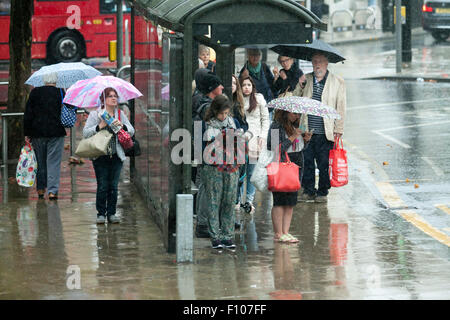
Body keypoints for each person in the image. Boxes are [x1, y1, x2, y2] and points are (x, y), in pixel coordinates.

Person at [293, 52, 346, 203]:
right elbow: (296, 99)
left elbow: (341, 107)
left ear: (327, 64)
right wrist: (300, 84)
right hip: (307, 130)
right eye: (315, 61)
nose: (317, 65)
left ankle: (323, 191)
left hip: (326, 131)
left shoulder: (337, 82)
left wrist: (339, 129)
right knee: (307, 162)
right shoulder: (307, 79)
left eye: (320, 62)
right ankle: (309, 190)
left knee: (323, 164)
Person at [83, 87, 135, 224]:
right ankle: (101, 213)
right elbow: (85, 133)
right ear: (103, 100)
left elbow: (131, 130)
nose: (114, 98)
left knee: (113, 186)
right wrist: (99, 126)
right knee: (102, 186)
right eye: (110, 96)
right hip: (100, 156)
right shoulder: (95, 115)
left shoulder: (120, 114)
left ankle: (111, 213)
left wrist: (122, 126)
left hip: (116, 156)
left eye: (115, 96)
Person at [202, 95, 242, 249]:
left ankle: (227, 235)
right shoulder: (206, 125)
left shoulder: (233, 123)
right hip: (213, 167)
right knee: (213, 201)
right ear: (214, 111)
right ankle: (215, 237)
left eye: (226, 113)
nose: (224, 117)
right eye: (221, 113)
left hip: (231, 166)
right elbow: (201, 147)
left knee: (229, 201)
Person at [267, 109, 311, 243]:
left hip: (297, 162)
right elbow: (274, 147)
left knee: (291, 201)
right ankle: (278, 234)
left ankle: (286, 232)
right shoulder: (276, 126)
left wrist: (306, 140)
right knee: (280, 200)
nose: (296, 116)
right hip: (281, 163)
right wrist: (292, 137)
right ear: (285, 112)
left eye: (299, 114)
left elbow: (301, 147)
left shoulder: (297, 125)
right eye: (294, 113)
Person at [192, 71, 225, 238]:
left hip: (204, 150)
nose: (223, 87)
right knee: (207, 187)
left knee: (205, 187)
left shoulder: (201, 102)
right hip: (208, 152)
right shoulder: (206, 107)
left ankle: (205, 221)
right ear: (213, 89)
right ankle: (204, 223)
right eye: (219, 85)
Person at [24, 72, 66, 200]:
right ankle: (52, 191)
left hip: (38, 133)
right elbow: (68, 108)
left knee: (40, 162)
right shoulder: (60, 92)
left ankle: (41, 189)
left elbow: (28, 114)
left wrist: (27, 133)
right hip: (56, 132)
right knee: (53, 162)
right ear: (56, 79)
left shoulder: (35, 93)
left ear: (43, 79)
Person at [238, 76, 270, 213]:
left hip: (256, 140)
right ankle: (238, 200)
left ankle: (249, 201)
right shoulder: (237, 99)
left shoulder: (259, 99)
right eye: (244, 85)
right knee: (240, 172)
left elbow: (265, 119)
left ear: (253, 87)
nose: (246, 87)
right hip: (241, 139)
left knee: (251, 172)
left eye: (249, 85)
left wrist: (263, 136)